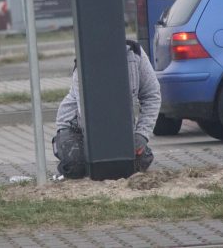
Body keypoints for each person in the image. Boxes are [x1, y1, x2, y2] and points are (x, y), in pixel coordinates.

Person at [52, 40, 161, 179]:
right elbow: (86, 114)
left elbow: (152, 95)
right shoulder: (84, 61)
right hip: (77, 128)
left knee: (138, 163)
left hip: (120, 130)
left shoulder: (135, 54)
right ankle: (63, 146)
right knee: (76, 166)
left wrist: (141, 134)